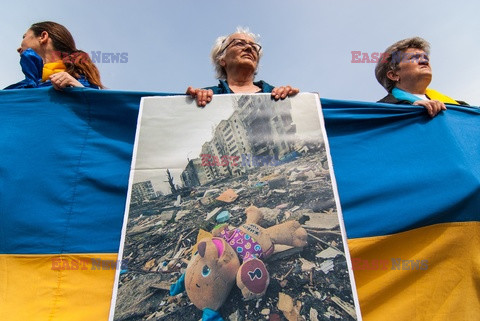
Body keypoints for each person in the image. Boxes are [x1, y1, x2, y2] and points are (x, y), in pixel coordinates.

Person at [186, 27, 299, 107]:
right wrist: (189, 104)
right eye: (239, 43)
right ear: (222, 59)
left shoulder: (275, 94)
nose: (249, 48)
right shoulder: (209, 96)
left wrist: (294, 101)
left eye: (254, 47)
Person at [375, 37, 467, 118]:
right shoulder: (380, 111)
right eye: (414, 58)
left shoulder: (461, 107)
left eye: (426, 58)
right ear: (393, 75)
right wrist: (410, 110)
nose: (424, 61)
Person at [5, 21, 103, 90]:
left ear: (43, 37)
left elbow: (96, 112)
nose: (18, 49)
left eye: (24, 37)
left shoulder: (79, 81)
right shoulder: (19, 89)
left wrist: (76, 87)